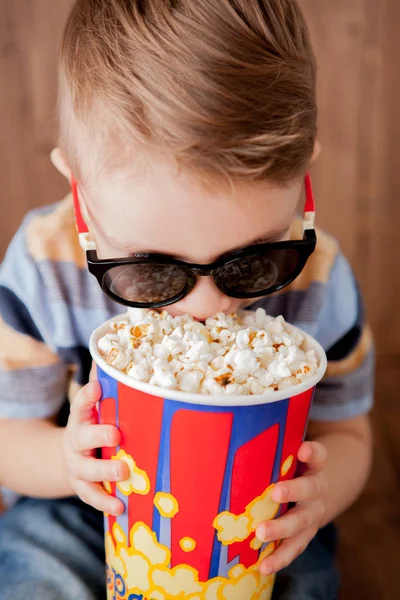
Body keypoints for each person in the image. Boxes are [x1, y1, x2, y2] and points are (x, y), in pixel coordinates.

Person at [0, 1, 374, 599]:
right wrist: (66, 463)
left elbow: (349, 434)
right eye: (149, 269)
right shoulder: (45, 268)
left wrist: (323, 495)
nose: (205, 307)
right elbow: (7, 437)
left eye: (255, 260)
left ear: (303, 179)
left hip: (260, 522)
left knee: (304, 576)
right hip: (81, 506)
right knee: (33, 561)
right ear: (80, 193)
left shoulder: (320, 278)